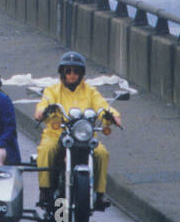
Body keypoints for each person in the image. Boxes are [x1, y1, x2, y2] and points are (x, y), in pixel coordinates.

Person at [35, 51, 121, 212]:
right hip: (57, 134)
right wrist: (42, 111)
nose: (72, 75)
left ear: (81, 73)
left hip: (84, 137)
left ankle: (99, 194)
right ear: (62, 72)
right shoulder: (53, 90)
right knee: (46, 150)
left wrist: (113, 115)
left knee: (102, 153)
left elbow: (102, 105)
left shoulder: (90, 91)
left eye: (76, 71)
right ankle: (45, 191)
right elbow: (43, 104)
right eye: (68, 71)